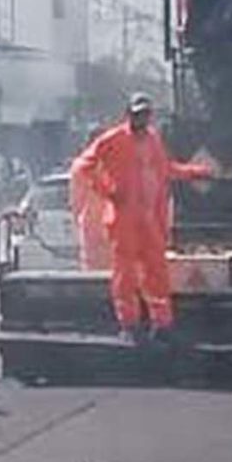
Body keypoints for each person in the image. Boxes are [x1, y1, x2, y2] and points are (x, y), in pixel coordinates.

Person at [83, 92, 221, 340]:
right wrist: (108, 190)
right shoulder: (113, 139)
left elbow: (167, 169)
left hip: (149, 220)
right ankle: (129, 326)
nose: (142, 118)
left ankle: (162, 324)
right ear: (128, 114)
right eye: (137, 113)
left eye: (146, 113)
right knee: (125, 275)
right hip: (123, 219)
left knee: (156, 273)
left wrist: (197, 172)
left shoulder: (154, 140)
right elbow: (85, 165)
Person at [67, 127, 112, 271]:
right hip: (112, 228)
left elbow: (76, 203)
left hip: (91, 227)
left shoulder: (80, 166)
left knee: (93, 275)